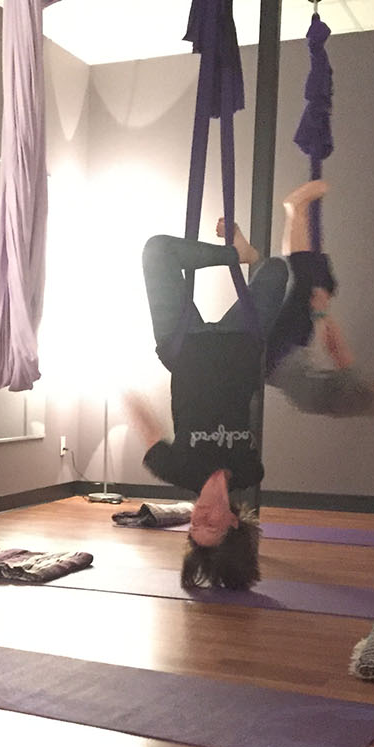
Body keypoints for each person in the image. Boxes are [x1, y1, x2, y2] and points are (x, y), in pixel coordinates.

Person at [123, 227, 287, 590]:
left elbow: (146, 426)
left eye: (194, 527)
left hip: (183, 346)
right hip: (240, 346)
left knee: (157, 251)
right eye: (210, 525)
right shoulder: (249, 470)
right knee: (277, 270)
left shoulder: (177, 470)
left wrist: (119, 384)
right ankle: (246, 255)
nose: (199, 517)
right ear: (232, 523)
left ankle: (235, 255)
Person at [219, 180, 374, 418]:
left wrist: (322, 312)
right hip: (290, 355)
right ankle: (256, 250)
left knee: (306, 286)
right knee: (321, 284)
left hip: (277, 358)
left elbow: (336, 348)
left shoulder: (368, 395)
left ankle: (294, 209)